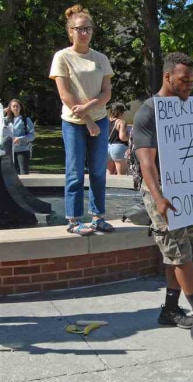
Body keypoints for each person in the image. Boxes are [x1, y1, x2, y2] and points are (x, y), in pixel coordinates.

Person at [133, 52, 193, 342]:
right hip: (161, 191)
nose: (188, 85)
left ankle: (170, 309)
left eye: (192, 81)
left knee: (182, 253)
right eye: (184, 80)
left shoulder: (191, 108)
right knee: (180, 254)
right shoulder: (148, 112)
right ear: (168, 76)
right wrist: (159, 197)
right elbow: (146, 161)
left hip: (190, 189)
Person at [49, 4, 114, 236]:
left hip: (100, 119)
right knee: (75, 171)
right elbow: (65, 95)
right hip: (74, 123)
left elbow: (107, 92)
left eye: (88, 28)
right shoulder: (62, 57)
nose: (84, 33)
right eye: (79, 29)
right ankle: (74, 220)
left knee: (98, 171)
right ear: (70, 31)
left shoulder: (101, 58)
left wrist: (89, 108)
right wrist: (87, 120)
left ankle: (98, 217)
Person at [4, 99, 34, 175]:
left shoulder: (26, 120)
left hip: (22, 150)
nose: (15, 108)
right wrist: (3, 111)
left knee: (23, 173)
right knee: (12, 175)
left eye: (17, 106)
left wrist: (20, 138)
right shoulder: (6, 120)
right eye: (13, 106)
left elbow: (32, 136)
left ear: (20, 108)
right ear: (10, 108)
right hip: (9, 151)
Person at [106, 102, 129, 175]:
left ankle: (107, 186)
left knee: (109, 173)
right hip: (118, 147)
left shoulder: (106, 121)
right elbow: (122, 137)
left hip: (107, 147)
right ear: (120, 112)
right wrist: (129, 138)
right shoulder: (121, 122)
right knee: (121, 175)